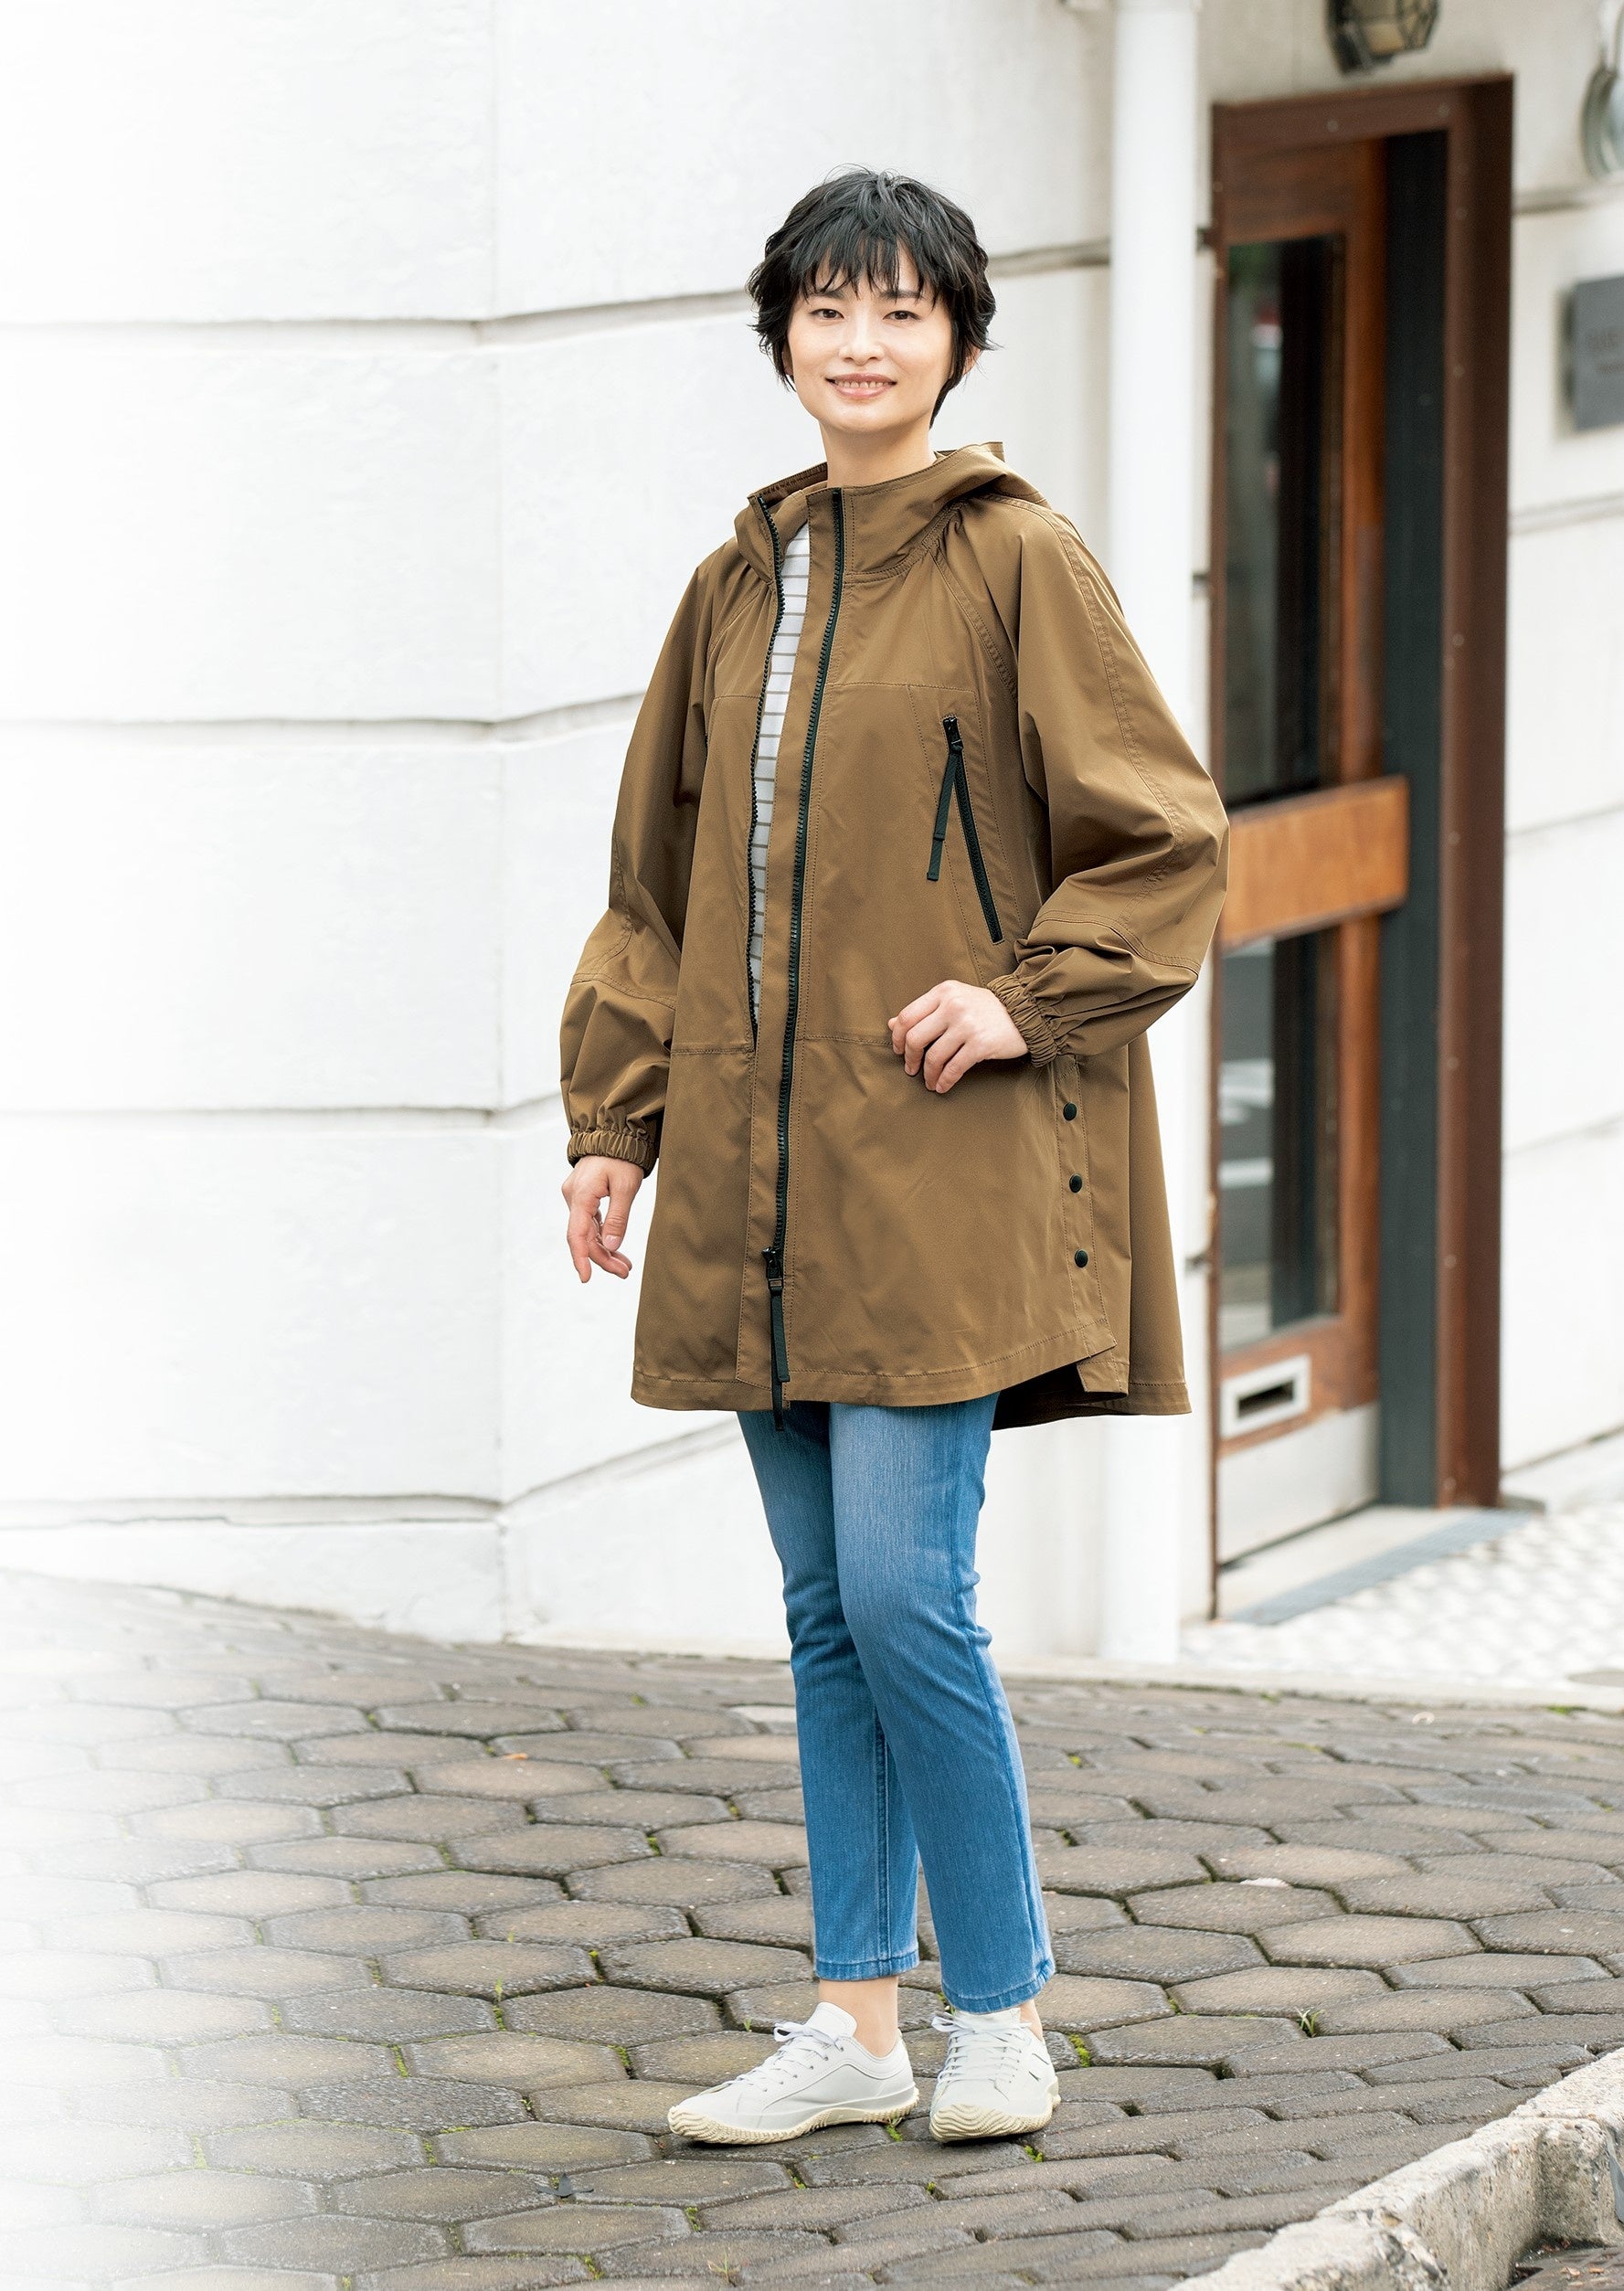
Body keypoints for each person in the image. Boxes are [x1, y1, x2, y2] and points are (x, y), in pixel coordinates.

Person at [559, 168, 1228, 2146]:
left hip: (936, 1166)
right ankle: (854, 2025)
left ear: (957, 341)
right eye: (827, 311)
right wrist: (614, 1124)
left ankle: (999, 2013)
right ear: (781, 336)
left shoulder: (1020, 561)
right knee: (824, 1614)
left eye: (901, 311)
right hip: (756, 1179)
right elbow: (655, 881)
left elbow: (1162, 836)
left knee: (904, 1595)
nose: (860, 344)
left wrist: (1026, 998)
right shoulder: (737, 586)